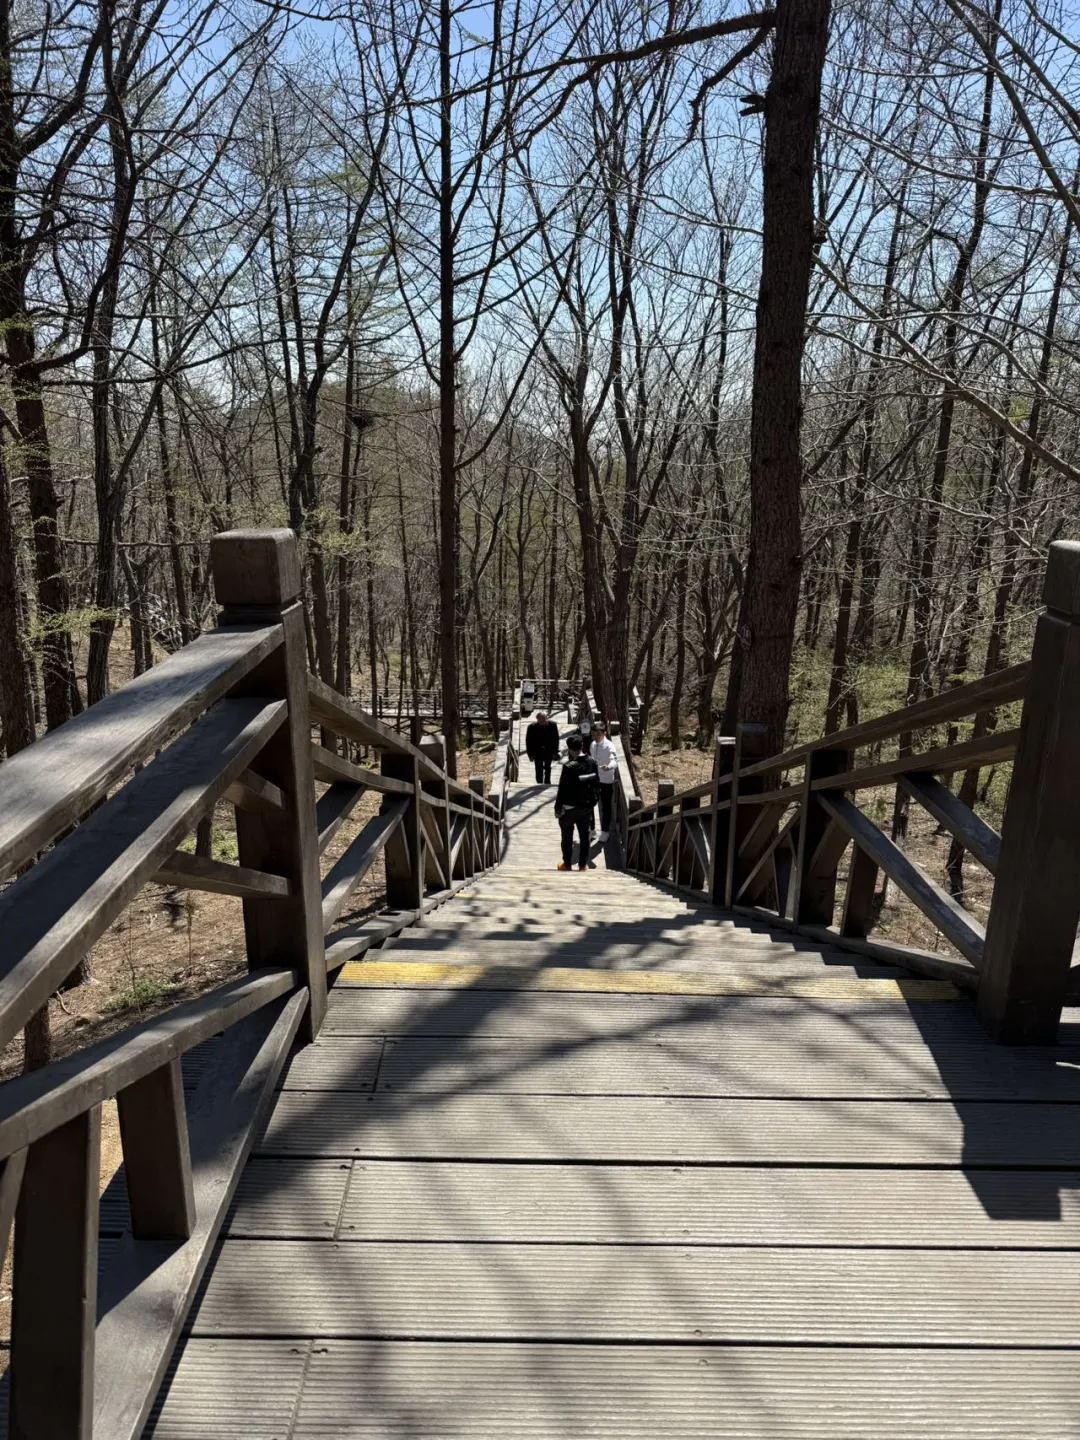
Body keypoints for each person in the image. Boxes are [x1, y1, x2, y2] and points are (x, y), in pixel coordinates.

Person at [554, 733, 598, 870]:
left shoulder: (568, 767)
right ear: (582, 746)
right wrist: (593, 802)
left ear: (569, 749)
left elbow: (562, 789)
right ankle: (583, 865)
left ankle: (567, 864)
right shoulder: (592, 762)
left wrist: (557, 807)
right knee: (584, 837)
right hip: (586, 807)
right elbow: (596, 784)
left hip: (569, 808)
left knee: (567, 836)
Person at [590, 721, 617, 841]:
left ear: (604, 733)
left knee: (606, 807)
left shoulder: (610, 746)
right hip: (594, 779)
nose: (595, 737)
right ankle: (591, 829)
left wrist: (609, 767)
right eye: (593, 734)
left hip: (606, 781)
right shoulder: (592, 745)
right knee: (589, 803)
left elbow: (614, 760)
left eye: (598, 734)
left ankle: (605, 831)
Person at [525, 710, 560, 785]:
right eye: (540, 719)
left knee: (548, 767)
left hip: (549, 750)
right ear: (537, 719)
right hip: (537, 751)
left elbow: (556, 739)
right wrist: (530, 755)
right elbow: (528, 742)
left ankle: (547, 782)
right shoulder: (531, 727)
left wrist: (555, 752)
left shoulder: (552, 725)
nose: (542, 721)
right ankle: (539, 783)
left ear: (546, 718)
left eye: (543, 718)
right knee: (538, 768)